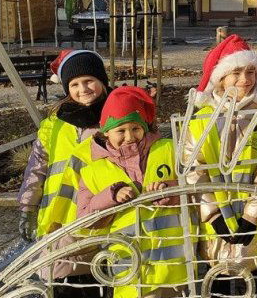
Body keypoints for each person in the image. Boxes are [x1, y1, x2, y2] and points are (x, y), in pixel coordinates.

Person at [182, 35, 257, 292]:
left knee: (250, 285)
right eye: (236, 72)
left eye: (251, 72)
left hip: (253, 220)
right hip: (214, 222)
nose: (245, 80)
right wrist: (212, 213)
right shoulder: (200, 120)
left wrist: (252, 215)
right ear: (220, 78)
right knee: (216, 283)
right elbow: (193, 168)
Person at [75, 86, 186, 298]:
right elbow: (83, 218)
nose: (129, 137)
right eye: (121, 130)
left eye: (136, 128)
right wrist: (110, 197)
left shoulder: (168, 150)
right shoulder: (92, 171)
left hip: (172, 270)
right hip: (128, 272)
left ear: (145, 127)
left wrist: (169, 191)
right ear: (105, 132)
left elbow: (192, 190)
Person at [17, 50, 109, 294]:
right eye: (75, 84)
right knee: (61, 279)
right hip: (57, 218)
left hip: (98, 215)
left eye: (89, 81)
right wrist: (28, 208)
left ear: (102, 81)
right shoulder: (55, 125)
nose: (83, 89)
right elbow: (36, 170)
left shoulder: (113, 120)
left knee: (96, 275)